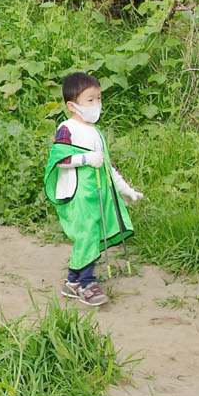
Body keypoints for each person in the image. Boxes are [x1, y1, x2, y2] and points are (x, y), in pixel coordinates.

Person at [45, 72, 141, 307]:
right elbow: (58, 161)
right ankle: (87, 283)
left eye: (98, 99)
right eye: (90, 100)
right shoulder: (67, 128)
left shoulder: (96, 133)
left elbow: (108, 165)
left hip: (97, 194)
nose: (96, 105)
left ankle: (72, 281)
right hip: (76, 194)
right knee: (86, 235)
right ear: (72, 105)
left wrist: (126, 189)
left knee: (92, 234)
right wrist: (86, 160)